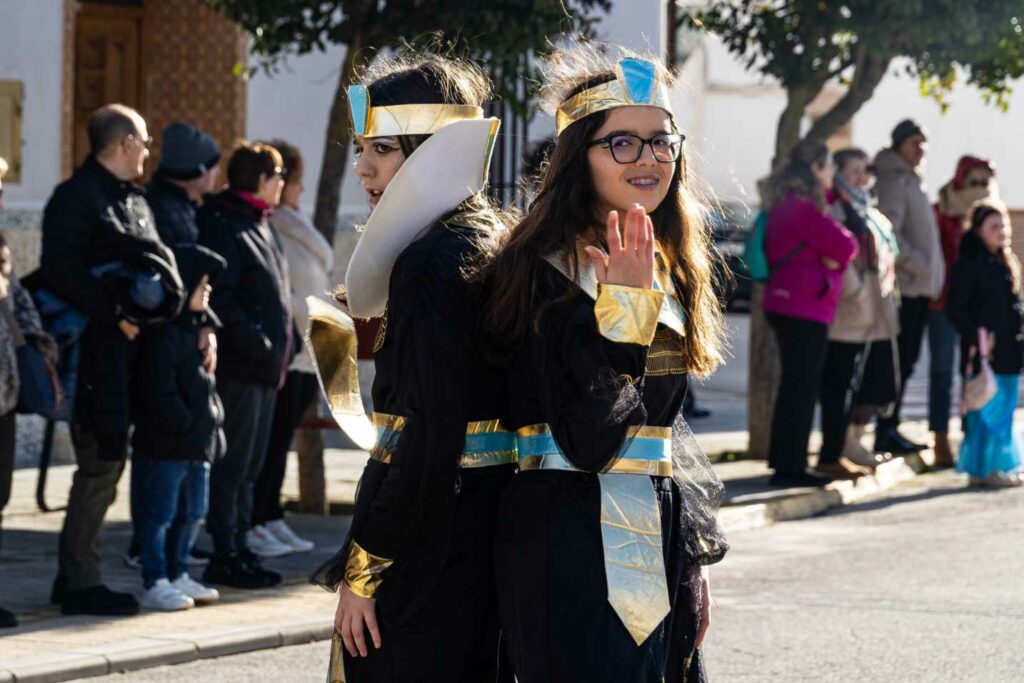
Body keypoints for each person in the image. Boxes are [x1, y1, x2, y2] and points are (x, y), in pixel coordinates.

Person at [485, 47, 729, 682]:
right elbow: (591, 435)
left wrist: (692, 562)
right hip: (563, 538)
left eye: (661, 141)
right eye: (620, 142)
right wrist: (623, 311)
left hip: (655, 531)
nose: (648, 158)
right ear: (577, 158)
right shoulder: (537, 271)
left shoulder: (669, 264)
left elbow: (663, 429)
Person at [309, 54, 515, 682]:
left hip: (428, 551)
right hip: (483, 533)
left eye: (384, 148)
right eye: (361, 148)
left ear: (431, 153)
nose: (362, 167)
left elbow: (425, 437)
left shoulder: (430, 262)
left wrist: (366, 570)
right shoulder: (487, 238)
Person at [41, 104, 183, 616]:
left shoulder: (132, 199)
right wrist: (118, 312)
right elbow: (60, 273)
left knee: (111, 463)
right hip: (92, 362)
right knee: (99, 464)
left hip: (130, 358)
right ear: (124, 144)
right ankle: (79, 581)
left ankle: (74, 576)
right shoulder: (74, 199)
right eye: (143, 140)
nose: (147, 150)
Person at [124, 122, 223, 569]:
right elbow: (177, 277)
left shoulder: (182, 204)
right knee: (160, 466)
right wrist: (196, 317)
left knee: (180, 485)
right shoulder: (163, 207)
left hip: (184, 336)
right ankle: (150, 557)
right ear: (195, 169)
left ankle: (170, 558)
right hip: (166, 343)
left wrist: (205, 320)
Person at [197, 142, 291, 589]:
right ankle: (225, 551)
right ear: (259, 179)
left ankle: (242, 546)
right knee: (233, 465)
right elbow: (227, 299)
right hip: (243, 366)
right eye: (278, 175)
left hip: (267, 367)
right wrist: (262, 343)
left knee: (251, 466)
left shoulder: (259, 222)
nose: (283, 184)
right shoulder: (228, 224)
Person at [133, 244, 227, 610]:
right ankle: (155, 578)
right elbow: (160, 393)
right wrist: (190, 429)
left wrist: (211, 429)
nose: (207, 291)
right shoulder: (164, 335)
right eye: (201, 284)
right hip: (169, 446)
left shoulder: (197, 331)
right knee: (159, 515)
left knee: (192, 513)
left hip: (196, 445)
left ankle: (179, 570)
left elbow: (206, 390)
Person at [248, 140, 329, 557]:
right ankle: (257, 518)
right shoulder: (274, 222)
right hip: (288, 344)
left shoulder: (294, 219)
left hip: (307, 347)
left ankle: (271, 515)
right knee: (272, 439)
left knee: (280, 438)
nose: (289, 186)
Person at [762, 140, 858, 487]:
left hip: (795, 304)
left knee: (795, 387)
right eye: (829, 167)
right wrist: (830, 260)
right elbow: (846, 245)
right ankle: (791, 468)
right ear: (816, 168)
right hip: (801, 308)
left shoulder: (792, 203)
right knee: (801, 389)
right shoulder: (801, 208)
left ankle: (785, 461)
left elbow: (835, 248)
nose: (833, 174)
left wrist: (829, 260)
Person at [818, 148, 900, 477]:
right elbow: (838, 254)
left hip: (873, 309)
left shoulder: (865, 206)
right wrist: (856, 291)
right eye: (855, 169)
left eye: (867, 169)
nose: (863, 175)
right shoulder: (836, 206)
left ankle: (850, 445)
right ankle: (833, 452)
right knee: (839, 384)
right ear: (837, 171)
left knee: (866, 382)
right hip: (849, 310)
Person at [873, 119, 945, 454]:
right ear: (899, 144)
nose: (922, 149)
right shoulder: (894, 180)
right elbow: (891, 234)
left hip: (918, 289)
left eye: (925, 142)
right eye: (915, 142)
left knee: (909, 359)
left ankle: (893, 426)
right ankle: (885, 429)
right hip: (904, 287)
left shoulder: (914, 180)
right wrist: (918, 264)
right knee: (898, 360)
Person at [945, 201, 1024, 488]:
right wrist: (976, 337)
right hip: (984, 353)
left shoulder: (1005, 261)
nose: (1002, 231)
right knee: (987, 411)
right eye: (994, 226)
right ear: (978, 231)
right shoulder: (969, 264)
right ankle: (987, 469)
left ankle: (993, 467)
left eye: (1003, 224)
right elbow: (955, 307)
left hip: (1009, 351)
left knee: (1002, 407)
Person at [930, 156, 999, 468]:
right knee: (942, 370)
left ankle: (970, 434)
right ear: (959, 180)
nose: (980, 189)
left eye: (986, 182)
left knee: (974, 372)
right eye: (974, 181)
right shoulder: (942, 212)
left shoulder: (989, 216)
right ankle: (940, 437)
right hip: (944, 304)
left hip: (979, 311)